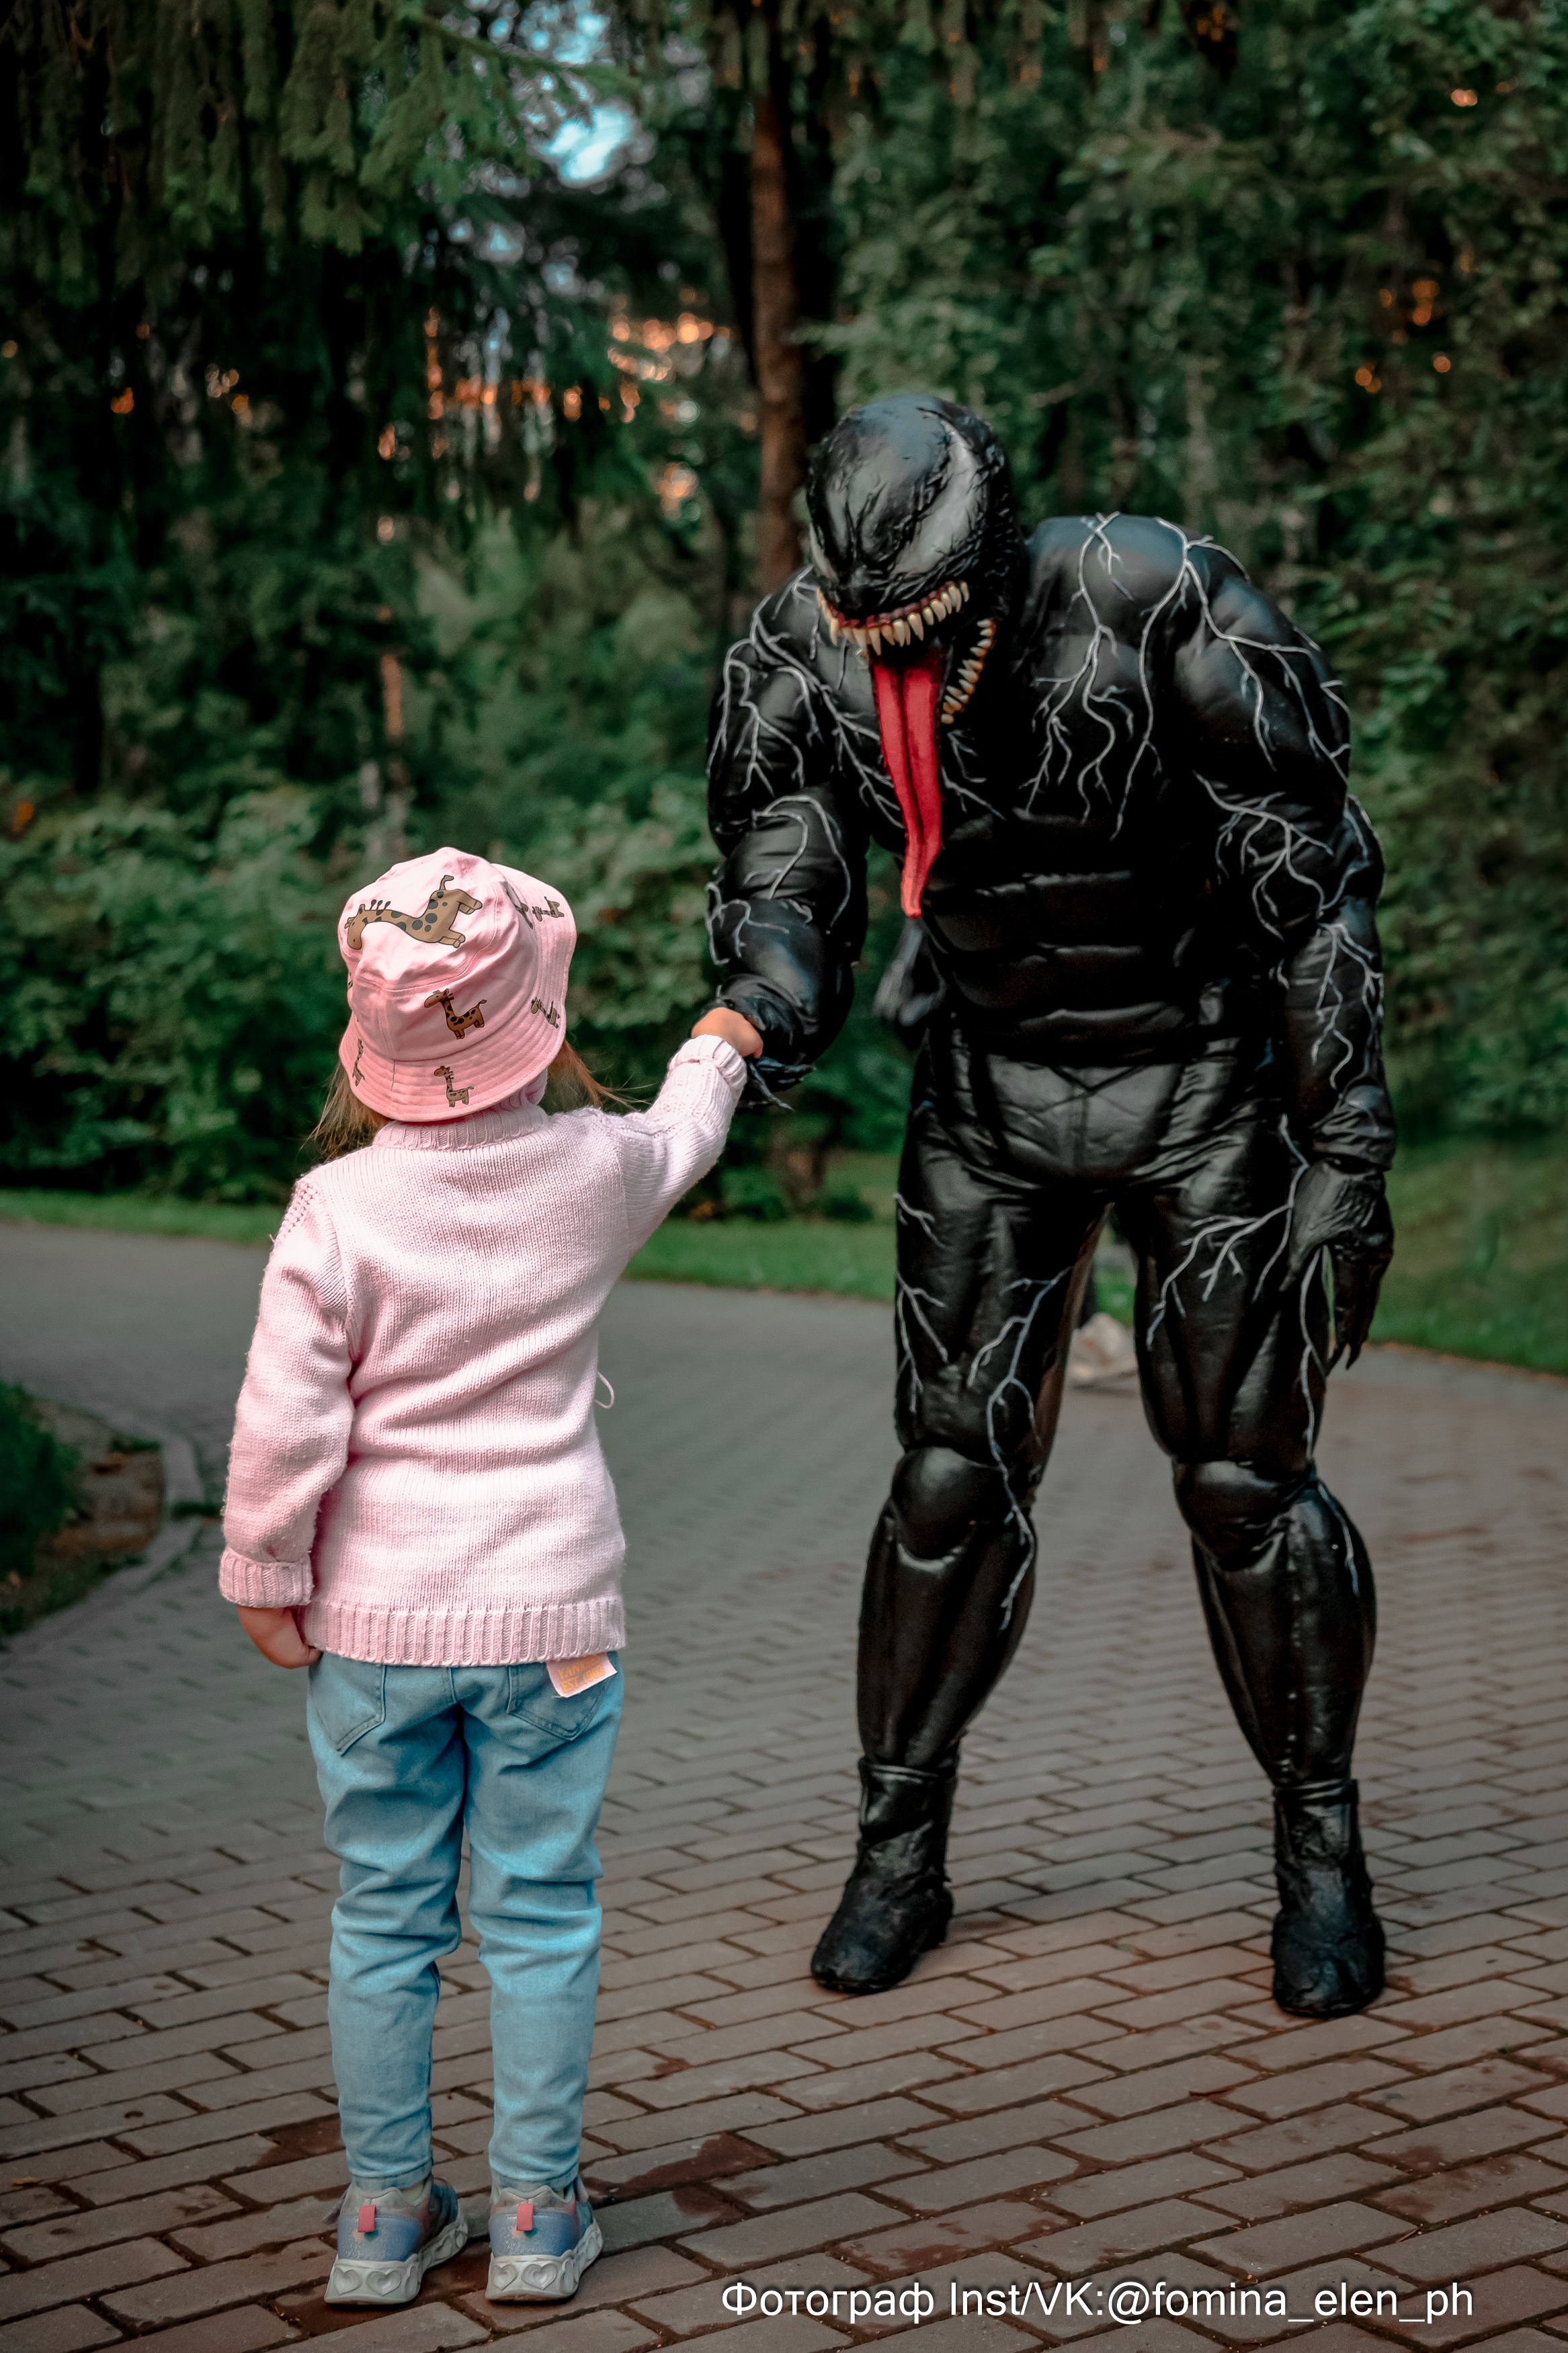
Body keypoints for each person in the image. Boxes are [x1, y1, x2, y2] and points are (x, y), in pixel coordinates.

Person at [704, 395, 1395, 2019]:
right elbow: (782, 876)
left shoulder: (1159, 597)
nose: (899, 649)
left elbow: (1313, 879)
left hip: (1207, 1078)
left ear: (997, 554)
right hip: (990, 1085)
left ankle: (1321, 1849)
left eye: (927, 618)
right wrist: (753, 1025)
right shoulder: (802, 652)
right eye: (870, 619)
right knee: (948, 1476)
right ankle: (898, 1848)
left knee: (1246, 1482)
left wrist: (1348, 1144)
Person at [220, 846, 760, 2309]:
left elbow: (285, 1415)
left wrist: (268, 1571)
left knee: (383, 1918)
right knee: (540, 1913)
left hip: (374, 1629)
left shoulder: (333, 1207)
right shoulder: (590, 1173)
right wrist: (724, 1037)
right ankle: (534, 2211)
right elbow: (682, 1133)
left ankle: (386, 2218)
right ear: (544, 1020)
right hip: (553, 1626)